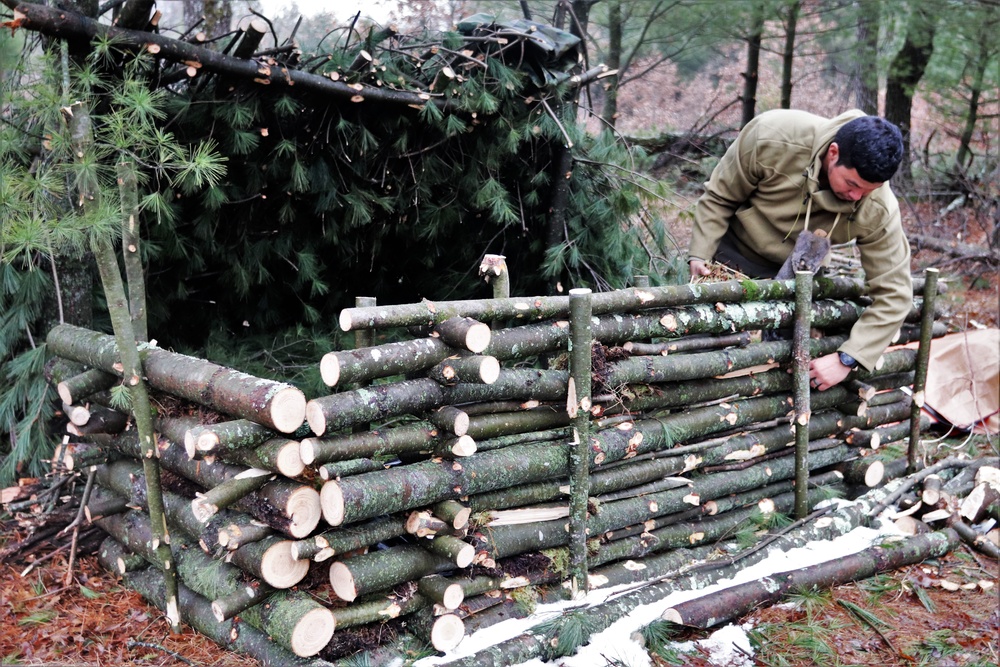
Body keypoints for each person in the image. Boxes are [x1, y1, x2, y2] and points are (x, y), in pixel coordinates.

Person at [689, 109, 911, 391]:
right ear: (833, 152)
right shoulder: (773, 136)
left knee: (779, 369)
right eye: (852, 184)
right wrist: (700, 254)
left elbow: (895, 294)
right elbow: (719, 197)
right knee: (706, 358)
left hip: (800, 277)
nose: (857, 196)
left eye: (868, 190)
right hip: (732, 258)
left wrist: (848, 358)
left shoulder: (879, 209)